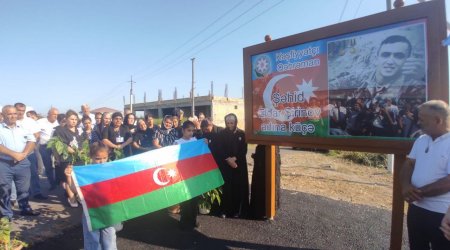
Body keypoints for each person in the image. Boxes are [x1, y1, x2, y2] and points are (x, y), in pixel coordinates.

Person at [400, 100, 450, 249]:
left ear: (438, 120)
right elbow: (409, 164)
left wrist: (417, 193)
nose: (418, 122)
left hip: (441, 214)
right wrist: (405, 186)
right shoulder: (421, 140)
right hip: (416, 210)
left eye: (422, 119)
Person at [65, 142, 120, 250]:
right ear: (91, 157)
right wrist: (68, 176)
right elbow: (74, 189)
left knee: (109, 238)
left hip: (108, 210)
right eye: (98, 158)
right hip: (90, 211)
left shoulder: (111, 170)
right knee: (92, 239)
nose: (102, 161)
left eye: (105, 158)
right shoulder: (85, 172)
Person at [355, 35, 425, 108]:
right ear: (376, 57)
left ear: (407, 60)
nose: (390, 61)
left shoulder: (414, 88)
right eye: (385, 55)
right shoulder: (358, 79)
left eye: (398, 56)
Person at [0, 105, 40, 218]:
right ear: (3, 115)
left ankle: (25, 208)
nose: (13, 116)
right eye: (9, 114)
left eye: (14, 113)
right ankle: (6, 214)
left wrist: (24, 154)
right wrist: (14, 154)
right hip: (4, 163)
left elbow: (32, 140)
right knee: (4, 189)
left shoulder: (23, 128)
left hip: (22, 163)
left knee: (24, 189)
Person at [218, 113, 249, 218]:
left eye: (232, 122)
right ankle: (225, 210)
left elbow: (244, 150)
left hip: (239, 164)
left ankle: (237, 211)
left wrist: (234, 159)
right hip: (226, 164)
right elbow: (220, 149)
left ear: (236, 122)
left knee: (237, 188)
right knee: (227, 188)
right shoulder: (221, 134)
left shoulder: (242, 133)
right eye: (228, 123)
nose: (230, 125)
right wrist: (228, 159)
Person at [15, 103, 47, 200]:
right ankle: (19, 195)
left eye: (22, 111)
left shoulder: (30, 122)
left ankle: (37, 192)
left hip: (29, 152)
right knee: (16, 174)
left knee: (33, 172)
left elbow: (37, 135)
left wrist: (29, 147)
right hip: (14, 153)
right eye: (18, 110)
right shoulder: (10, 121)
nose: (20, 113)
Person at [52, 110, 83, 207]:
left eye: (75, 119)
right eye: (71, 119)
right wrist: (69, 149)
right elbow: (58, 144)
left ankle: (78, 195)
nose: (74, 121)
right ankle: (71, 198)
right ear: (66, 119)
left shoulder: (79, 131)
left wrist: (82, 151)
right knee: (68, 178)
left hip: (79, 158)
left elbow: (83, 143)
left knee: (77, 179)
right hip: (66, 158)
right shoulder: (60, 131)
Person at [174, 121, 200, 230]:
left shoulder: (195, 141)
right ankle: (184, 218)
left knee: (194, 196)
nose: (191, 133)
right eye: (188, 130)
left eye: (192, 131)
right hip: (182, 173)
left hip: (194, 173)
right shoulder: (177, 142)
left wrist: (205, 143)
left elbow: (201, 153)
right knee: (184, 196)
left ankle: (193, 218)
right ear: (183, 130)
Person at [37, 107, 59, 190]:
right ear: (48, 114)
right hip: (44, 146)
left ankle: (58, 181)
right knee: (48, 165)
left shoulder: (58, 122)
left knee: (58, 164)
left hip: (56, 146)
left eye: (57, 114)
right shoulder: (40, 122)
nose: (56, 116)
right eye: (54, 114)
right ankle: (52, 183)